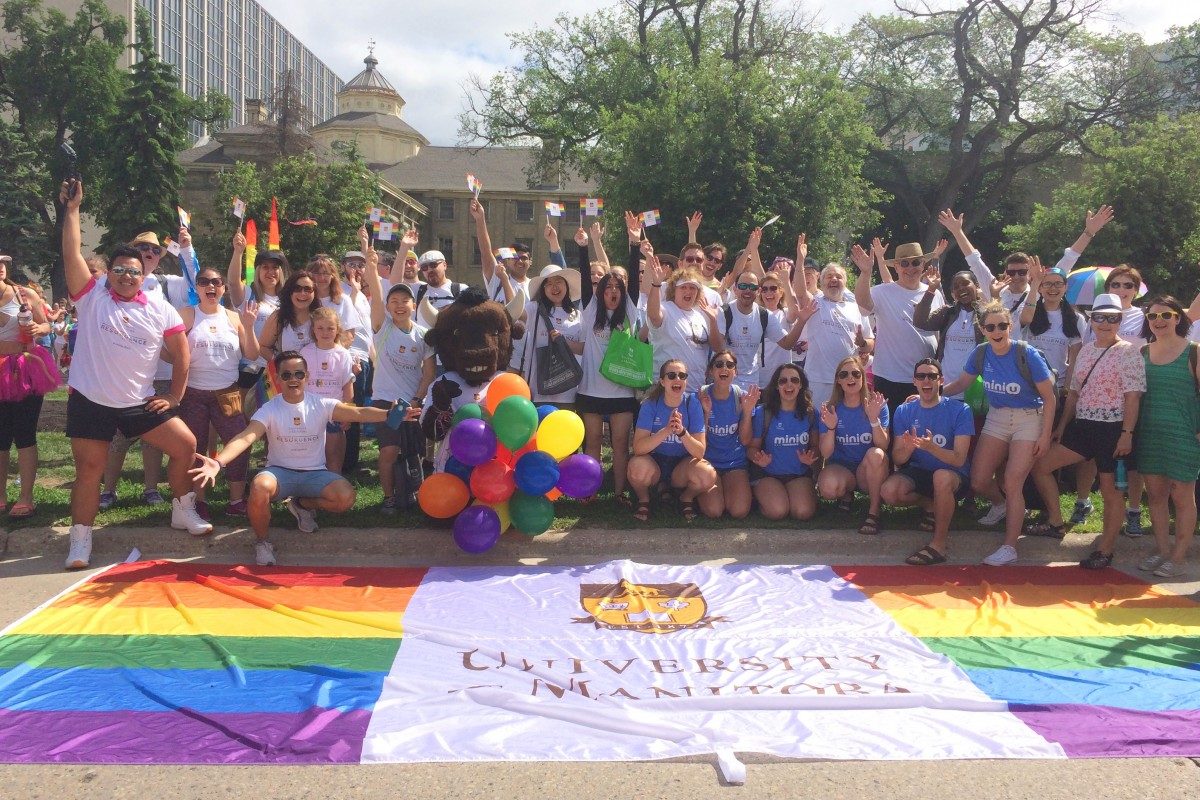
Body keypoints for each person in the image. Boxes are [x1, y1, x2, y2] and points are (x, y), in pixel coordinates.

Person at [60, 179, 211, 570]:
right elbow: (71, 252)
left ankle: (182, 509)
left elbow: (181, 355)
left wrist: (175, 397)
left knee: (185, 445)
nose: (128, 276)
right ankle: (80, 540)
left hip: (138, 403)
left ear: (144, 276)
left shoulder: (160, 307)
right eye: (121, 270)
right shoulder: (91, 296)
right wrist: (73, 210)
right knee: (89, 472)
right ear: (109, 273)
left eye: (135, 271)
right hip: (90, 400)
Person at [190, 350, 395, 566]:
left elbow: (359, 413)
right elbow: (245, 437)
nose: (293, 379)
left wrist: (390, 414)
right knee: (259, 487)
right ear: (277, 379)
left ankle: (301, 504)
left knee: (345, 498)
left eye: (298, 374)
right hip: (279, 473)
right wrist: (218, 461)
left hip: (315, 472)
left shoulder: (321, 404)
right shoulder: (269, 408)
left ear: (307, 377)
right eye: (286, 375)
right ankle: (262, 542)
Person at [1024, 293, 1143, 565]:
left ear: (1119, 321)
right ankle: (1056, 521)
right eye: (1099, 317)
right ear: (1092, 320)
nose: (1105, 323)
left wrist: (1127, 434)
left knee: (1110, 489)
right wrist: (1062, 427)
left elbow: (1132, 397)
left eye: (1112, 318)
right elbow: (1074, 393)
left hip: (1112, 430)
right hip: (1082, 425)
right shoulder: (1086, 349)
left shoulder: (1129, 351)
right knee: (1040, 465)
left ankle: (1106, 549)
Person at [944, 301, 1057, 566]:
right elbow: (962, 383)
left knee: (1012, 481)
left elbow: (1049, 398)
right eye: (991, 326)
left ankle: (1010, 546)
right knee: (979, 480)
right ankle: (1001, 505)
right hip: (997, 416)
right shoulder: (981, 353)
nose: (997, 331)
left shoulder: (1026, 354)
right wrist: (931, 393)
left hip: (1029, 419)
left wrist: (1045, 436)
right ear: (983, 329)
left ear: (1011, 326)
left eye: (1003, 326)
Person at [98, 226, 199, 510]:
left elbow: (195, 283)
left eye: (155, 250)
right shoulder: (114, 283)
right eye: (144, 249)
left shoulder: (168, 284)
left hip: (162, 375)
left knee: (154, 436)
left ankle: (151, 488)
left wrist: (188, 248)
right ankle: (109, 489)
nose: (150, 253)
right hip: (125, 376)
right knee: (117, 437)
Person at [177, 266, 260, 518]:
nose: (210, 286)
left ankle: (236, 500)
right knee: (195, 446)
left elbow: (252, 355)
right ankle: (199, 500)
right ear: (197, 288)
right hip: (194, 393)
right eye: (204, 282)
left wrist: (249, 326)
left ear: (223, 288)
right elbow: (169, 351)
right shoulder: (187, 315)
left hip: (228, 393)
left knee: (238, 444)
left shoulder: (234, 317)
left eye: (216, 282)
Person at [362, 237, 435, 513]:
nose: (400, 304)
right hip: (385, 402)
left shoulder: (423, 335)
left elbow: (428, 373)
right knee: (388, 452)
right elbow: (378, 297)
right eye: (395, 300)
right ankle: (389, 497)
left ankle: (414, 494)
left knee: (414, 452)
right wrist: (371, 267)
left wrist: (417, 399)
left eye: (405, 300)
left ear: (414, 305)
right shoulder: (383, 327)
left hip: (413, 404)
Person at [883, 358, 975, 565]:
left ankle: (939, 545)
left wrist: (932, 448)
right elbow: (897, 458)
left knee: (941, 477)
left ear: (941, 380)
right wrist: (908, 448)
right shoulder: (904, 411)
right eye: (921, 376)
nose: (926, 380)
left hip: (952, 475)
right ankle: (931, 505)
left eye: (932, 376)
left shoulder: (961, 410)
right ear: (914, 381)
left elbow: (959, 460)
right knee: (889, 491)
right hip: (920, 473)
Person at [1133, 296, 1199, 578]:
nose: (1158, 321)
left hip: (1185, 434)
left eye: (1166, 315)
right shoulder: (1143, 353)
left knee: (1182, 496)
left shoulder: (1194, 352)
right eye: (1152, 316)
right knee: (1156, 496)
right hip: (1150, 434)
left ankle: (1179, 555)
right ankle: (1161, 550)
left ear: (1178, 318)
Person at [575, 253, 643, 505]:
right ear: (600, 292)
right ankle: (590, 491)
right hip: (591, 392)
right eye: (608, 287)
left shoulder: (630, 313)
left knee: (619, 445)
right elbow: (584, 280)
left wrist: (634, 245)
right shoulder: (591, 311)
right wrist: (582, 246)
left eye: (618, 288)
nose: (613, 292)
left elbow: (634, 282)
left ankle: (619, 493)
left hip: (621, 395)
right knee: (592, 443)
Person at [853, 241, 944, 417]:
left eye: (916, 262)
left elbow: (939, 333)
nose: (910, 268)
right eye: (904, 263)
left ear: (923, 264)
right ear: (896, 266)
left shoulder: (935, 292)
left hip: (925, 379)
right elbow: (863, 305)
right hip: (890, 378)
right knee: (891, 434)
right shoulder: (882, 291)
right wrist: (865, 273)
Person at [627, 359, 716, 522]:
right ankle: (644, 499)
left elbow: (700, 452)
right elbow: (638, 448)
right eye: (671, 375)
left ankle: (685, 497)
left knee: (707, 474)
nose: (677, 379)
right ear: (662, 381)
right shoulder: (650, 404)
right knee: (636, 467)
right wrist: (667, 430)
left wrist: (681, 432)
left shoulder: (692, 403)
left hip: (682, 465)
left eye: (682, 375)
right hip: (654, 462)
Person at [0, 256, 55, 518]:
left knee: (24, 433)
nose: (0, 267)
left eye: (2, 262)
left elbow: (47, 325)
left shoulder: (24, 294)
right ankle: (0, 496)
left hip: (24, 367)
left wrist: (38, 327)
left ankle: (26, 497)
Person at [797, 235, 874, 410]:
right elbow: (800, 292)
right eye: (829, 276)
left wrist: (862, 343)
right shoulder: (815, 302)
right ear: (821, 282)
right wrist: (800, 261)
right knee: (817, 425)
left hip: (850, 379)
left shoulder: (856, 307)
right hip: (819, 379)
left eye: (838, 277)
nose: (833, 279)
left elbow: (870, 343)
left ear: (845, 282)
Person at [817, 356, 890, 535]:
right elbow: (826, 453)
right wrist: (832, 428)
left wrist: (874, 420)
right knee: (827, 488)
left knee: (876, 454)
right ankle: (847, 494)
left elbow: (883, 445)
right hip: (843, 470)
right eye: (845, 374)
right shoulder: (830, 408)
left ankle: (873, 512)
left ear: (863, 378)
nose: (851, 378)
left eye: (856, 374)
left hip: (869, 471)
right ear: (838, 381)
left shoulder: (876, 405)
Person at [748, 363, 819, 521]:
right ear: (776, 386)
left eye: (794, 380)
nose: (789, 385)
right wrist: (759, 459)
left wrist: (811, 456)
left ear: (801, 385)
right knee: (778, 511)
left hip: (798, 475)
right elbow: (751, 448)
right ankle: (759, 497)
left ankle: (791, 495)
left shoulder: (811, 413)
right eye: (783, 381)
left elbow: (815, 447)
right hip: (768, 475)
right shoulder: (763, 412)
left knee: (802, 512)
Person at [226, 235, 288, 408]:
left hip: (276, 367)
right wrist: (238, 252)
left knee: (273, 419)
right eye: (265, 267)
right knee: (245, 416)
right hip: (249, 367)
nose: (271, 272)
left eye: (275, 267)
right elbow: (232, 282)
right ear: (258, 271)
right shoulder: (248, 295)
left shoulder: (288, 299)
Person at [645, 255, 720, 393]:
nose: (688, 291)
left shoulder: (701, 316)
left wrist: (714, 321)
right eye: (683, 287)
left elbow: (717, 347)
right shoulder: (665, 309)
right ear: (674, 290)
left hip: (696, 392)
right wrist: (656, 284)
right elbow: (653, 315)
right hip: (665, 392)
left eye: (693, 288)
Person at [697, 351, 757, 519]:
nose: (724, 368)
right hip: (708, 463)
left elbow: (745, 441)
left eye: (730, 365)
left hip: (734, 463)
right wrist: (706, 413)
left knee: (739, 511)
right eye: (719, 364)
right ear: (711, 371)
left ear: (735, 372)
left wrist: (747, 412)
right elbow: (699, 442)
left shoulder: (741, 397)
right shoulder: (701, 395)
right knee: (714, 511)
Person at [514, 264, 584, 406]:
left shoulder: (577, 315)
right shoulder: (534, 309)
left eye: (558, 282)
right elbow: (517, 313)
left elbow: (582, 349)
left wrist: (563, 342)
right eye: (549, 284)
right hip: (538, 392)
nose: (555, 287)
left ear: (566, 285)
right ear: (543, 289)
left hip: (568, 392)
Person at [913, 267, 986, 398]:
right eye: (956, 287)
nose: (961, 288)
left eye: (965, 284)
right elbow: (920, 321)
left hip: (974, 389)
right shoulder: (948, 313)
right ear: (953, 292)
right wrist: (931, 290)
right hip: (945, 388)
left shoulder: (986, 315)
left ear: (976, 285)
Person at [299, 307, 356, 473]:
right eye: (320, 328)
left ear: (337, 330)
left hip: (334, 410)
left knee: (333, 454)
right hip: (310, 410)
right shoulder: (305, 352)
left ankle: (334, 482)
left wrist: (348, 411)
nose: (325, 332)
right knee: (310, 454)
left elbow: (347, 384)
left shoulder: (343, 354)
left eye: (330, 328)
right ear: (313, 330)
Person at [258, 271, 320, 363]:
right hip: (288, 375)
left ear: (314, 293)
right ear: (289, 292)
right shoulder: (278, 317)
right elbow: (263, 347)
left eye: (308, 289)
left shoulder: (320, 317)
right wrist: (281, 364)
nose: (302, 293)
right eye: (297, 288)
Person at [413, 250, 470, 329]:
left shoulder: (461, 290)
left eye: (433, 265)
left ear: (445, 265)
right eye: (424, 267)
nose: (429, 270)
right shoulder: (417, 291)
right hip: (424, 341)